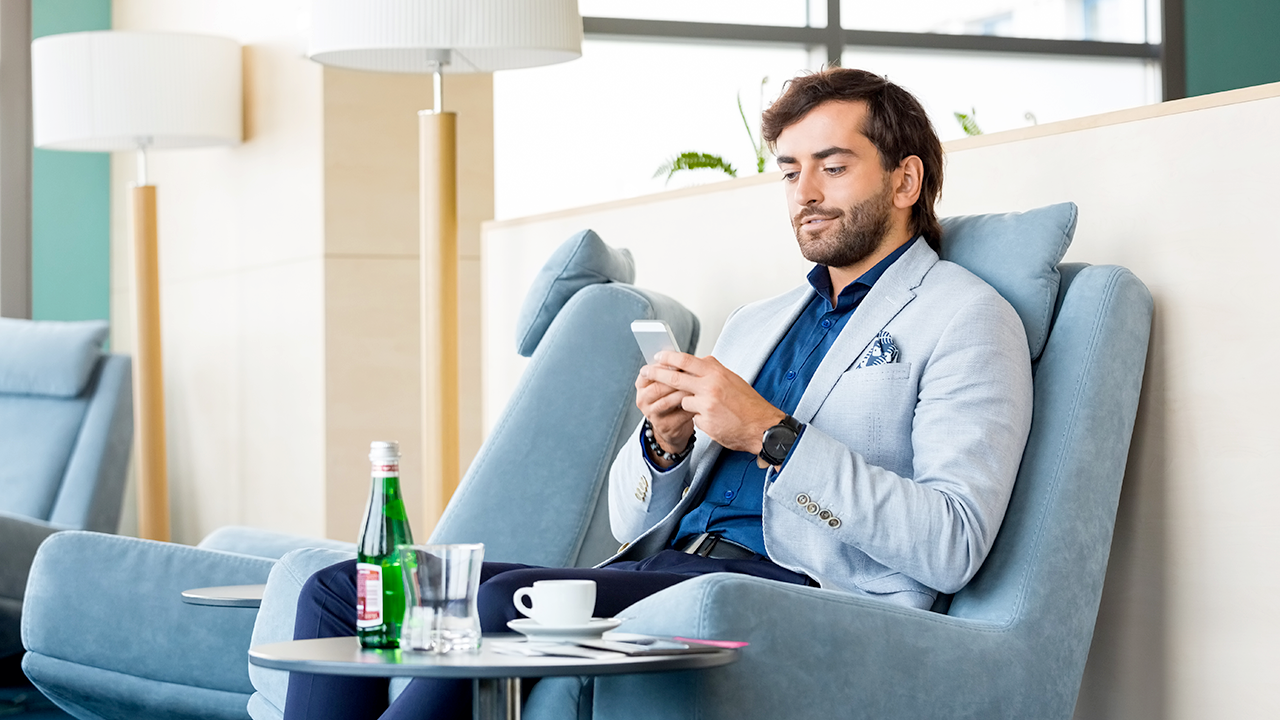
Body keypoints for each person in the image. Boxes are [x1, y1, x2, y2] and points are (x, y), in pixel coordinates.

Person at [282, 67, 1033, 720]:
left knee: (498, 607)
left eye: (832, 167)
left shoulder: (965, 318)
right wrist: (665, 444)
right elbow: (629, 517)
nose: (804, 193)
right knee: (339, 591)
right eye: (790, 170)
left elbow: (952, 544)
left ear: (905, 180)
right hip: (661, 569)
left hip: (786, 596)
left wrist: (772, 435)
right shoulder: (759, 322)